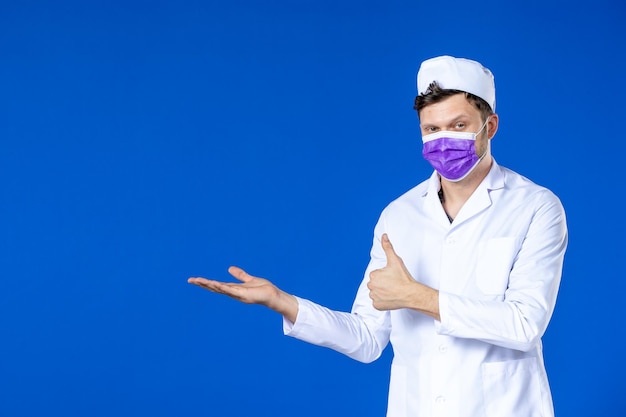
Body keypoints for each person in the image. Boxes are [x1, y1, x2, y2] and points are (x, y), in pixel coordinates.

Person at [188, 55, 568, 417]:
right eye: (432, 129)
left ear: (491, 126)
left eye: (459, 125)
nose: (444, 139)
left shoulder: (535, 207)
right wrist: (284, 302)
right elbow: (368, 338)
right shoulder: (399, 215)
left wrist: (418, 296)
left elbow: (524, 324)